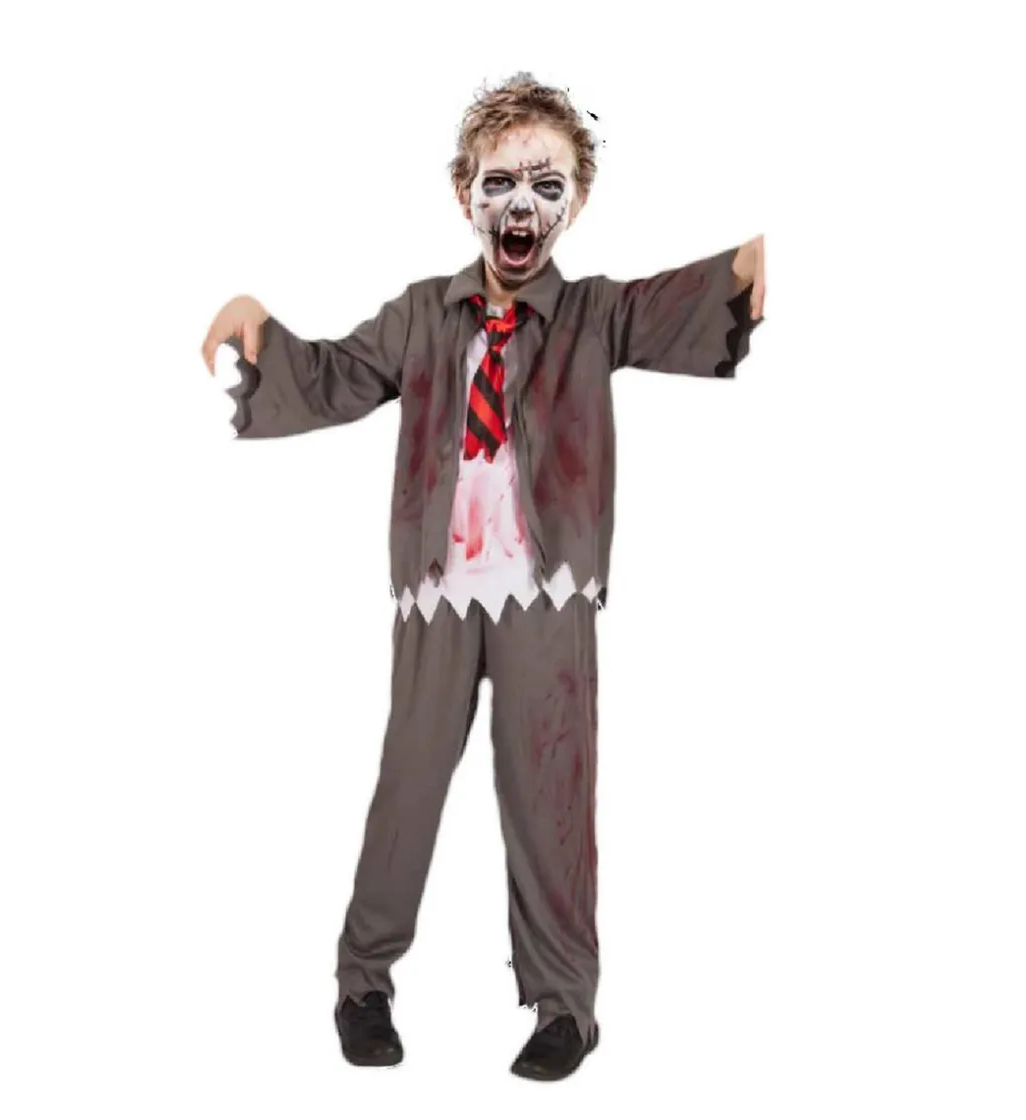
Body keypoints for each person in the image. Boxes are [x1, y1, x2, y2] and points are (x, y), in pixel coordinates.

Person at [200, 71, 765, 1081]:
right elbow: (334, 377)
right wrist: (263, 330)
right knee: (408, 787)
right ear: (464, 192)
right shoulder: (423, 313)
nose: (521, 208)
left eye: (546, 186)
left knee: (551, 792)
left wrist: (767, 255)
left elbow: (695, 299)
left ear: (576, 203)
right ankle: (362, 983)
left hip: (548, 588)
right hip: (437, 586)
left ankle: (565, 1005)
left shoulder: (594, 313)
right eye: (500, 182)